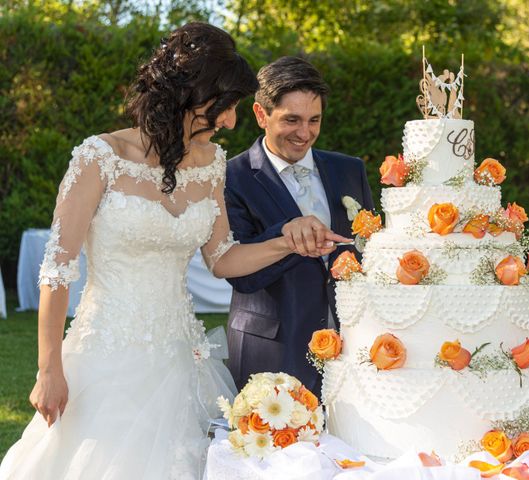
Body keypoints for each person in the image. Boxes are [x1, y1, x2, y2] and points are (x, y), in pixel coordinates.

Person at [0, 24, 347, 480]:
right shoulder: (99, 157)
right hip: (107, 357)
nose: (230, 122)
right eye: (225, 108)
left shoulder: (212, 163)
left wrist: (289, 241)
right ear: (191, 96)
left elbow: (223, 258)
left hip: (183, 359)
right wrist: (49, 368)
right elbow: (56, 270)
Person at [224, 56, 375, 396]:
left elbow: (370, 251)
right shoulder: (230, 177)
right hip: (271, 350)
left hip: (352, 351)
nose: (304, 133)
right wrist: (287, 236)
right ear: (261, 115)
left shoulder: (350, 170)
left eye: (314, 120)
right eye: (291, 120)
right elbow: (239, 274)